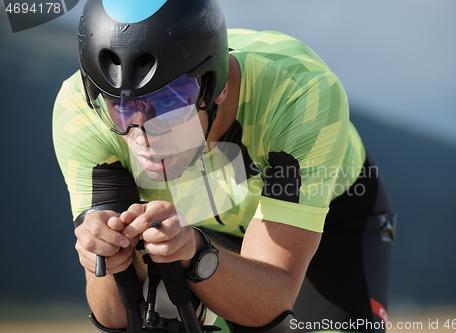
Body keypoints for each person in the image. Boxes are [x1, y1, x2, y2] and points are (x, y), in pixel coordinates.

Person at [52, 0, 396, 332]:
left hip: (331, 221)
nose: (141, 135)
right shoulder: (79, 112)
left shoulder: (300, 97)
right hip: (196, 223)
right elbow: (113, 316)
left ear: (214, 86)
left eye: (167, 105)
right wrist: (107, 258)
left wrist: (197, 253)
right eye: (120, 107)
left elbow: (272, 302)